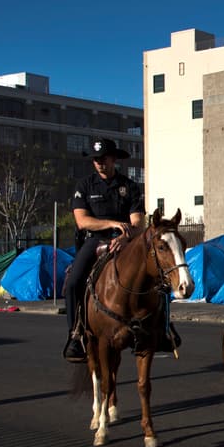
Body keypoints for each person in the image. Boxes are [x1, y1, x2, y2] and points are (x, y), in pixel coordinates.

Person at [62, 137, 147, 362]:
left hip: (125, 243)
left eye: (104, 158)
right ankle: (75, 334)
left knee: (156, 275)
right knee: (73, 282)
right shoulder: (84, 186)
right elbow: (82, 221)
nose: (100, 163)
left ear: (114, 159)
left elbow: (138, 223)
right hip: (94, 241)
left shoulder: (129, 187)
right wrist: (111, 224)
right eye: (96, 159)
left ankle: (162, 330)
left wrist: (125, 236)